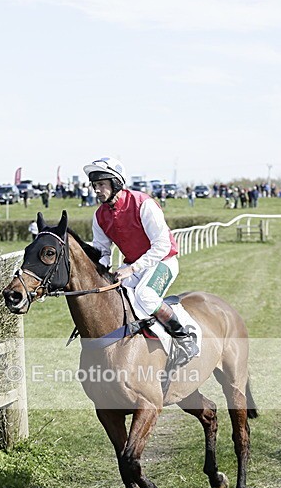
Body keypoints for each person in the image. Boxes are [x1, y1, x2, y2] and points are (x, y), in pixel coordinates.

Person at [83, 156, 198, 364]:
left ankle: (184, 337)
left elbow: (162, 245)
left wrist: (132, 268)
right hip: (134, 266)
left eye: (101, 184)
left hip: (163, 261)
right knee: (116, 293)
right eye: (95, 185)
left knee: (145, 295)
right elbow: (101, 249)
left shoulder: (143, 203)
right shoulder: (100, 215)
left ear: (116, 183)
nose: (97, 190)